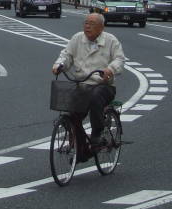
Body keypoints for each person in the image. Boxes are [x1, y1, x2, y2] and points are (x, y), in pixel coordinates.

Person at [52, 13, 125, 151]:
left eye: (92, 24)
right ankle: (81, 148)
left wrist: (110, 69)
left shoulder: (111, 41)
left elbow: (119, 59)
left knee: (95, 97)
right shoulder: (77, 38)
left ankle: (97, 133)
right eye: (86, 23)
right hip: (82, 84)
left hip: (103, 85)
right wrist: (59, 65)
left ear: (101, 28)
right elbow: (66, 55)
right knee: (71, 112)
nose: (87, 26)